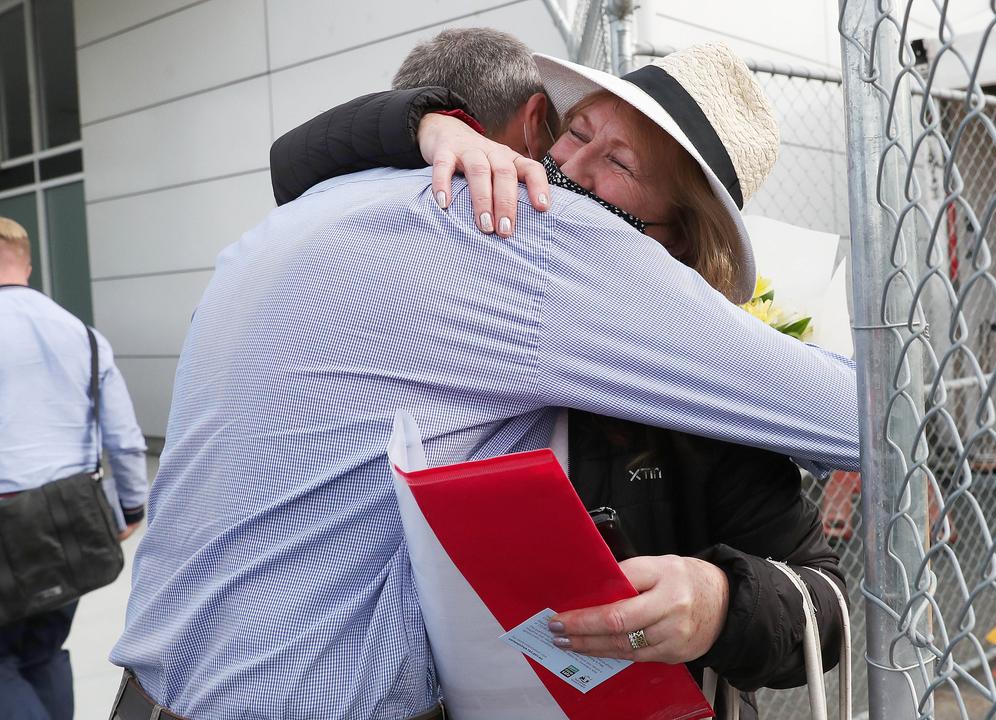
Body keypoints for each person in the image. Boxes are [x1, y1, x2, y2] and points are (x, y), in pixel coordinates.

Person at [110, 41, 860, 720]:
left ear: (681, 239)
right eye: (577, 131)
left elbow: (821, 589)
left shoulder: (318, 208)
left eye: (622, 164)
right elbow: (865, 416)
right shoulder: (530, 239)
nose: (573, 168)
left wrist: (722, 601)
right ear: (539, 122)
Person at [0, 217, 148, 720]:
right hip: (69, 518)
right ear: (28, 262)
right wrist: (129, 505)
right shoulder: (80, 334)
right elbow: (125, 439)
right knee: (45, 651)